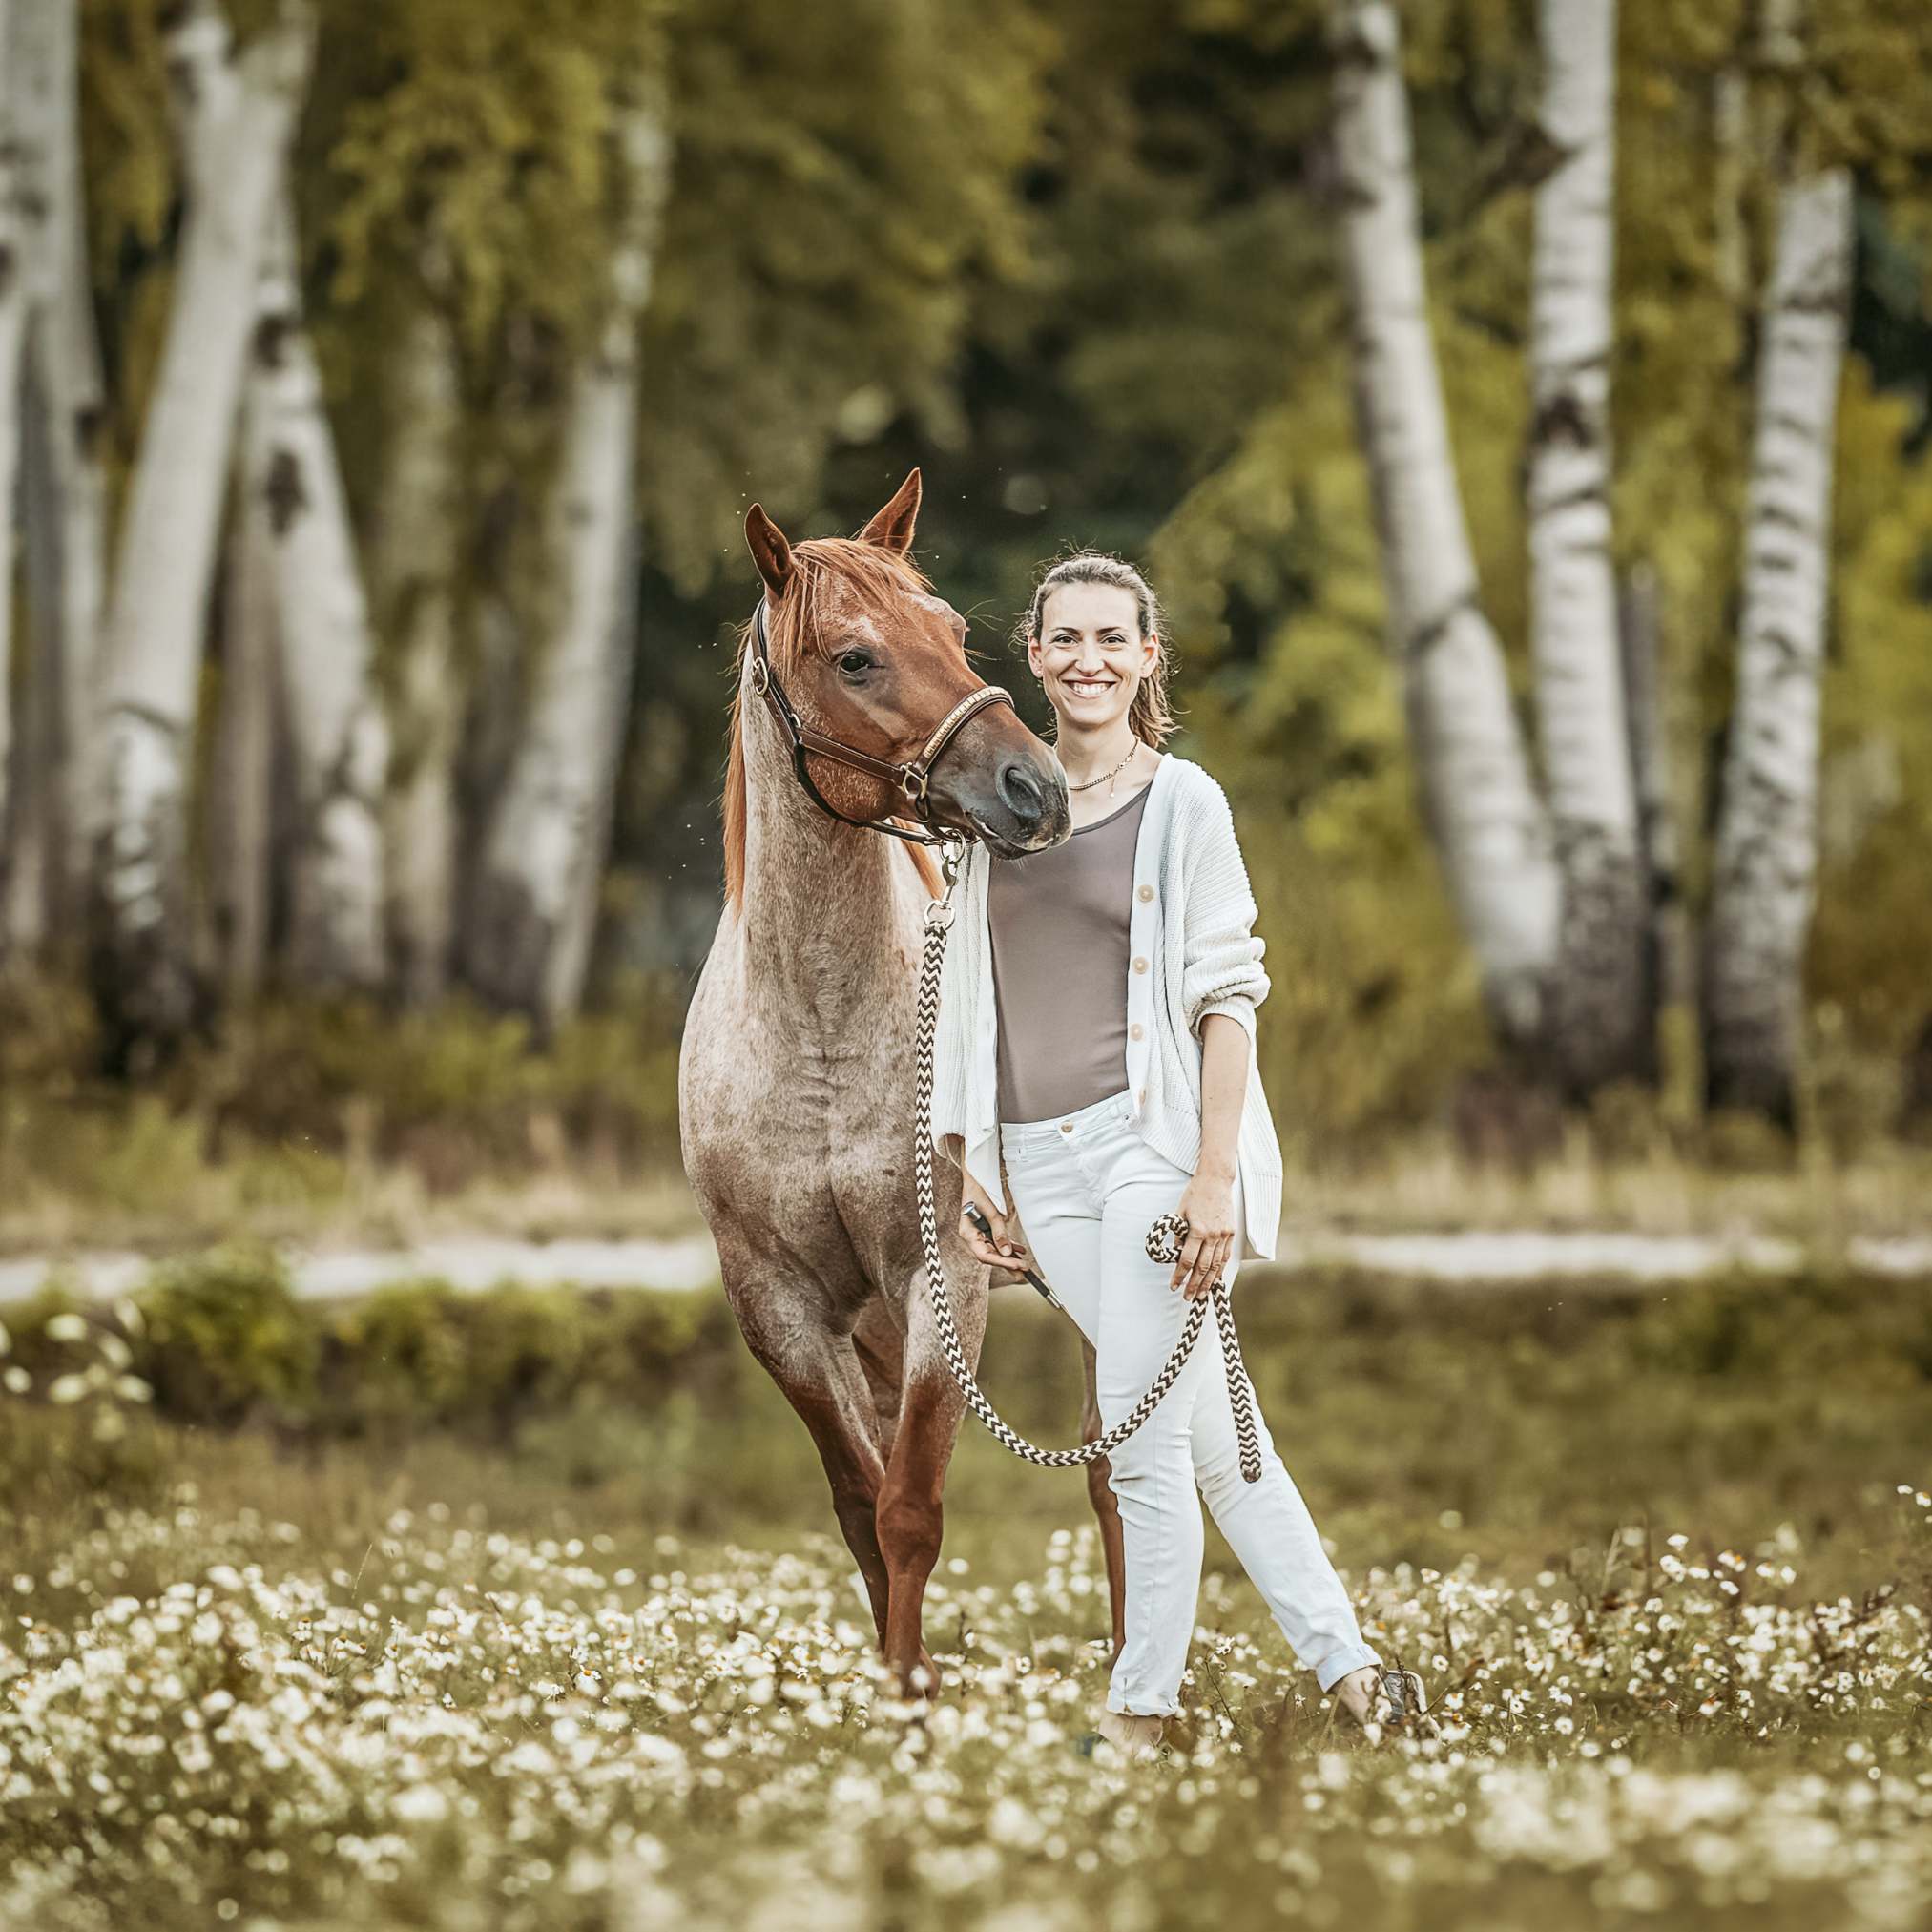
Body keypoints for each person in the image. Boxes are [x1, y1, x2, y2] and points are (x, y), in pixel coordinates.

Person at [930, 551, 1427, 1761]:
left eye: (1115, 638)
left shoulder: (1187, 803)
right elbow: (964, 1004)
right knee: (1213, 1438)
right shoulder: (997, 809)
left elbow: (1227, 997)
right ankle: (1359, 1679)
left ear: (1149, 658)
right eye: (1066, 639)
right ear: (1034, 657)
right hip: (1036, 1165)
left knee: (1139, 1444)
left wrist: (1213, 1177)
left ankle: (1139, 1718)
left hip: (1150, 1152)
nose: (1089, 659)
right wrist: (970, 1172)